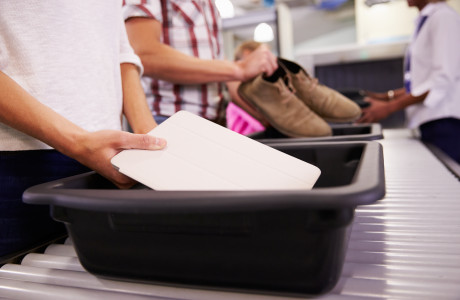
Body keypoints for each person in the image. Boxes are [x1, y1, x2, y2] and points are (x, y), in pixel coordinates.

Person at [0, 2, 166, 257]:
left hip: (109, 159)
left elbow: (120, 52)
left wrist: (148, 133)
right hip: (18, 159)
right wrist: (77, 142)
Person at [122, 0, 278, 125]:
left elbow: (216, 68)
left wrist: (268, 115)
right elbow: (142, 53)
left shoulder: (209, 5)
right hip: (170, 122)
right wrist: (239, 69)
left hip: (214, 123)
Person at [357, 0, 460, 163]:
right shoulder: (427, 19)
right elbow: (421, 84)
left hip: (446, 124)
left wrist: (389, 107)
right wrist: (385, 97)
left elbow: (442, 79)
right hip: (432, 123)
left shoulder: (444, 18)